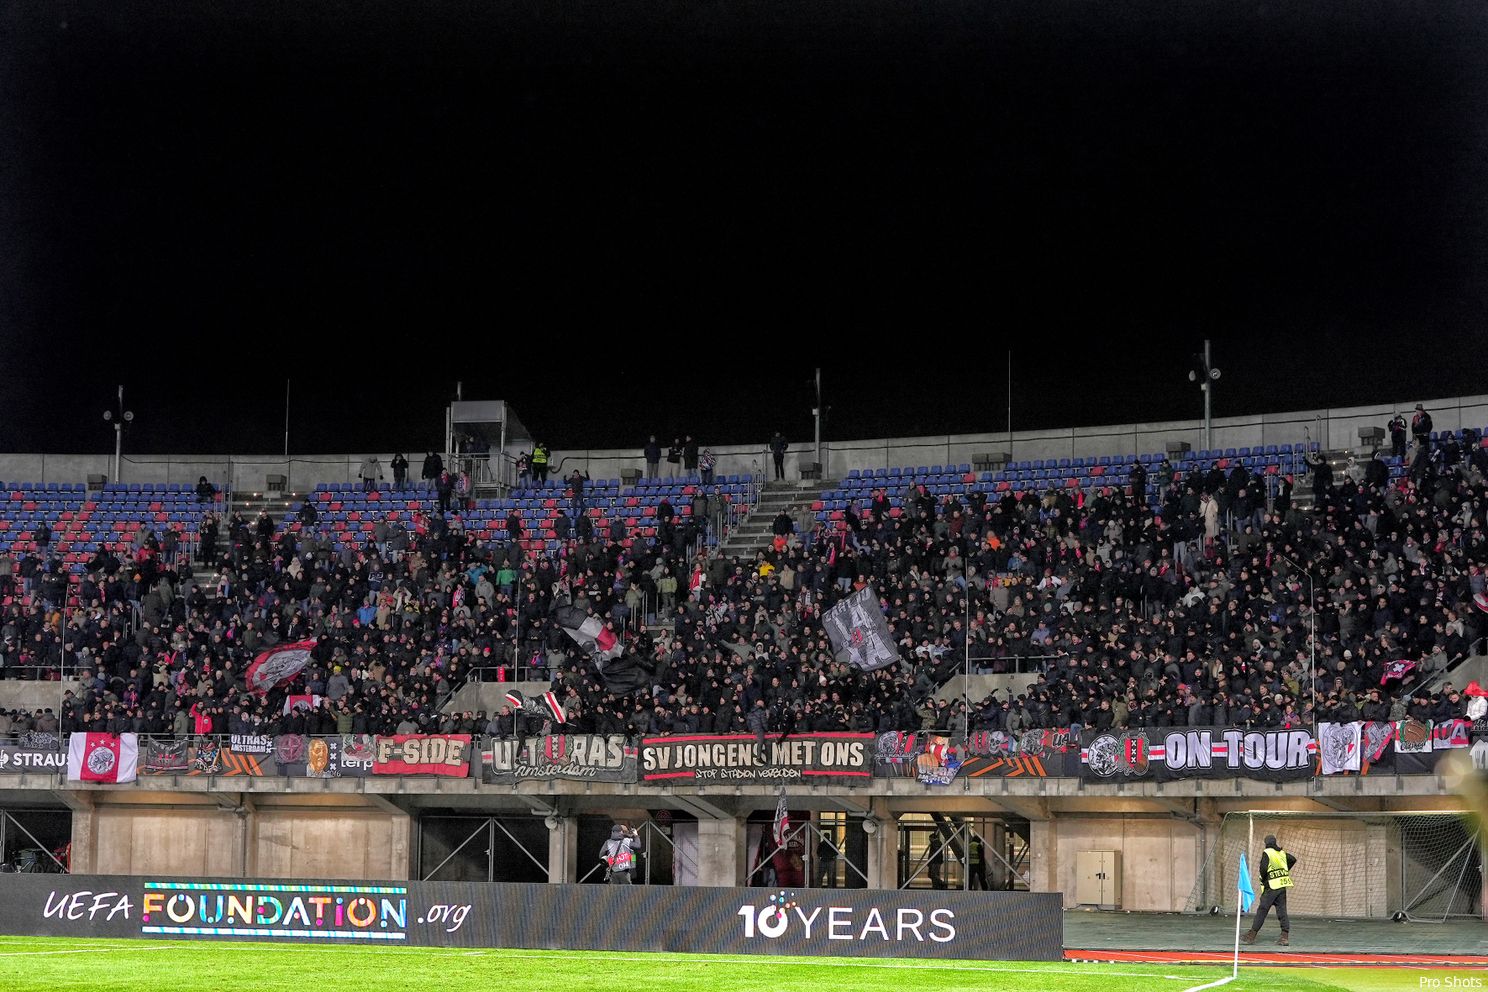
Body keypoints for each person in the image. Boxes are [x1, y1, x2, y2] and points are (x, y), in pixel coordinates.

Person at [1241, 834, 1297, 946]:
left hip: (1271, 887)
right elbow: (1293, 859)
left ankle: (1252, 935)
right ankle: (1284, 936)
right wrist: (1284, 869)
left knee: (1262, 910)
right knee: (1282, 911)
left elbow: (1263, 869)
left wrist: (1265, 878)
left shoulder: (1267, 852)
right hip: (1282, 886)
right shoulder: (1280, 853)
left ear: (1266, 843)